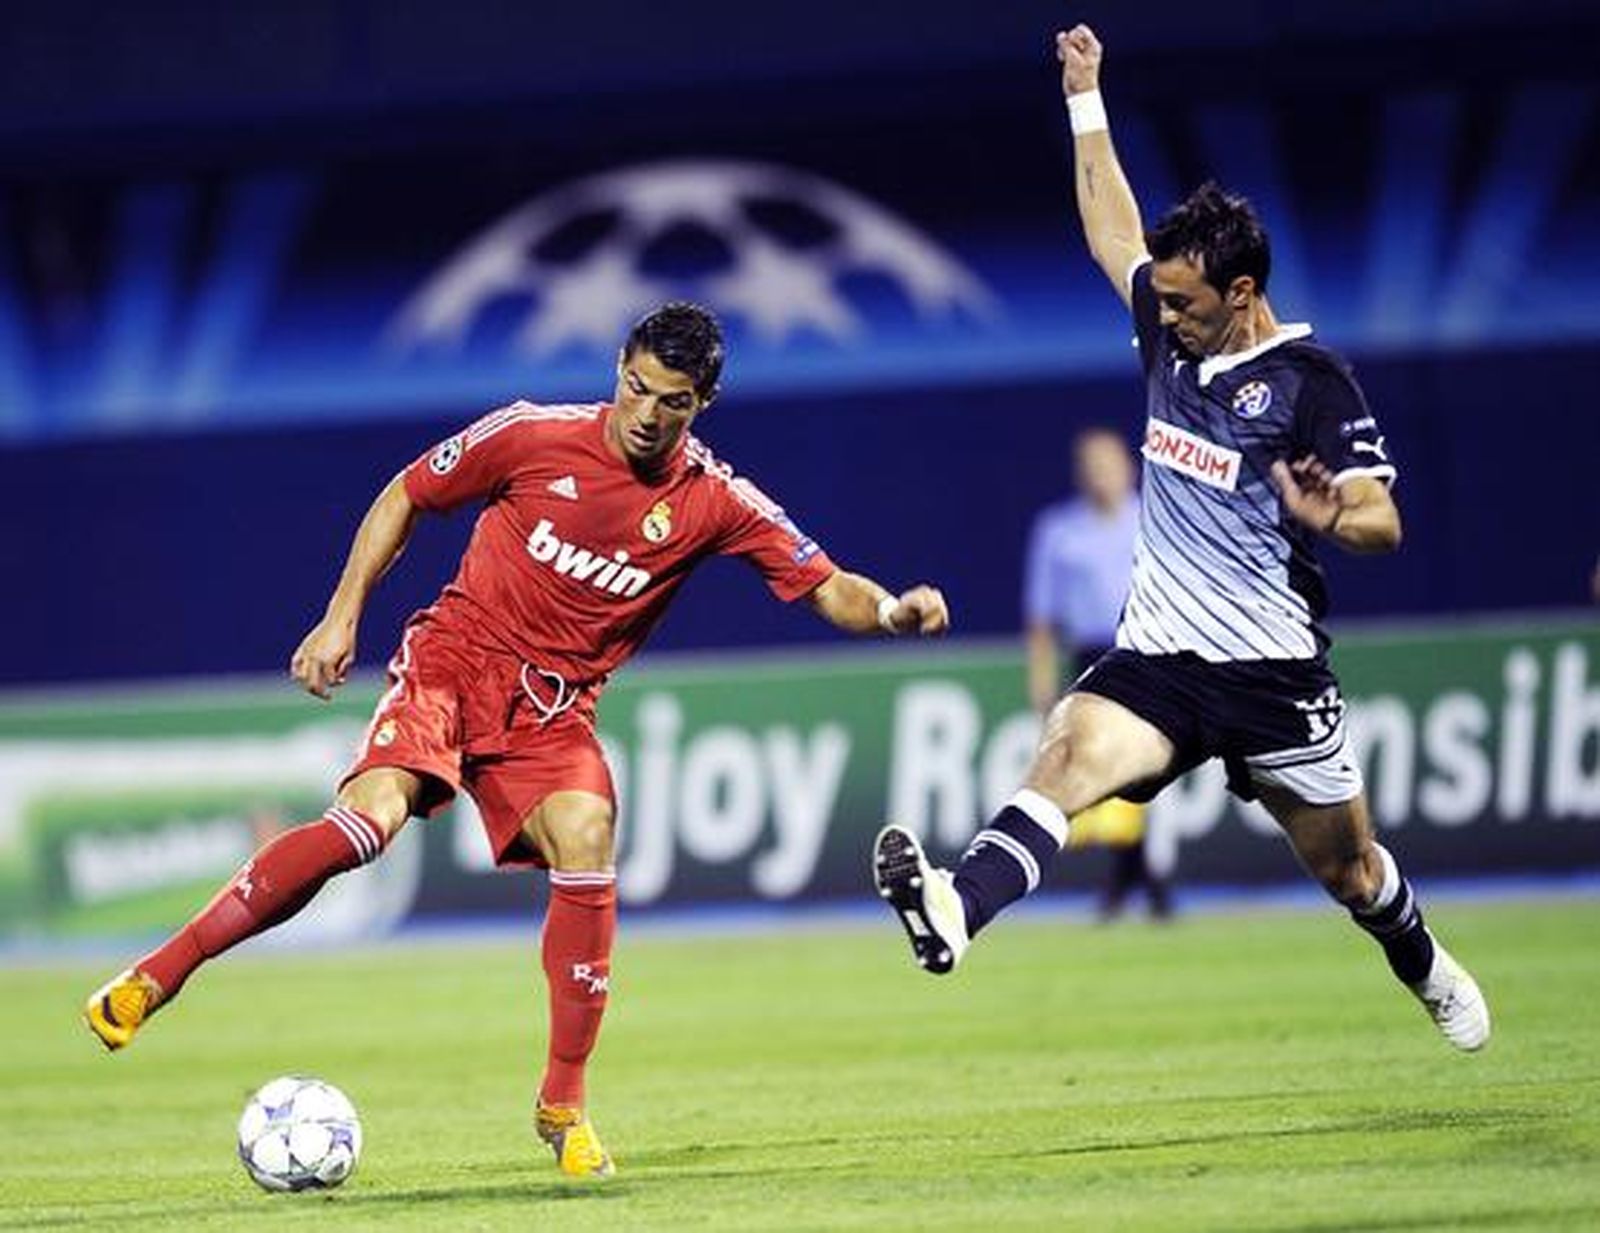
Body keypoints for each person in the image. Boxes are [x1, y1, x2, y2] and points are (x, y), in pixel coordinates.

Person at [84, 302, 951, 1176]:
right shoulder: (532, 434)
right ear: (618, 366)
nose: (647, 413)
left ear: (705, 403)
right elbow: (407, 493)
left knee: (588, 833)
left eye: (674, 402)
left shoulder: (714, 500)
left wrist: (887, 611)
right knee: (366, 824)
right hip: (454, 666)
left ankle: (563, 1105)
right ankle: (158, 973)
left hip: (554, 712)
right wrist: (341, 616)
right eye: (637, 387)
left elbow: (821, 582)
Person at [874, 22, 1489, 1052]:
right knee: (1065, 756)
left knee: (1351, 873)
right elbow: (1109, 227)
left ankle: (1421, 961)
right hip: (1159, 659)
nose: (1159, 312)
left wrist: (1332, 512)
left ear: (1241, 294)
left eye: (1182, 300)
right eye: (1157, 296)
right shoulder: (1169, 324)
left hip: (1272, 677)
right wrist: (1085, 97)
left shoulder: (1310, 384)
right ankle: (953, 908)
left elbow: (1384, 517)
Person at [1023, 427, 1171, 919]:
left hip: (1150, 649)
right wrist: (1041, 681)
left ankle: (1132, 879)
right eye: (1090, 466)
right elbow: (1041, 617)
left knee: (1139, 769)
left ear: (1128, 466)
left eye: (1107, 464)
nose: (1100, 476)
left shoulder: (1155, 518)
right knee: (1105, 770)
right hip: (1091, 657)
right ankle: (1140, 880)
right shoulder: (1059, 531)